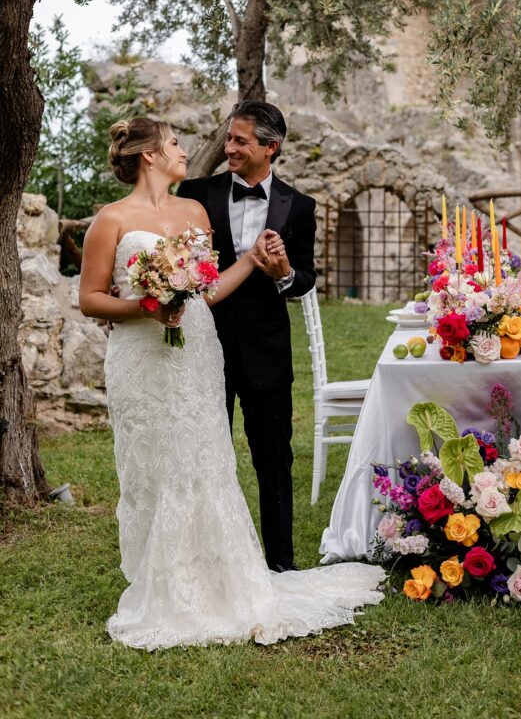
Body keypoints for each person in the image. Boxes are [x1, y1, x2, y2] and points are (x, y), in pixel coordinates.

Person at [79, 117, 383, 650]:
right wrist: (146, 307)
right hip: (142, 357)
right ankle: (163, 576)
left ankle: (222, 573)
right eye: (174, 143)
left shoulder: (193, 212)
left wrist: (252, 261)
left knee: (205, 457)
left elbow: (207, 291)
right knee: (151, 462)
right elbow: (90, 298)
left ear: (272, 147)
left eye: (241, 140)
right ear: (149, 155)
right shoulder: (112, 219)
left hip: (197, 347)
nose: (191, 149)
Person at [176, 101, 314, 572]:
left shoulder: (300, 206)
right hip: (201, 343)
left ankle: (281, 563)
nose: (228, 148)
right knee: (199, 455)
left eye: (240, 141)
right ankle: (197, 564)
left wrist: (283, 273)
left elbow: (305, 278)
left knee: (273, 460)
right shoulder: (195, 193)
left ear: (270, 148)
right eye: (229, 139)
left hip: (266, 351)